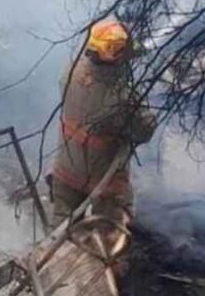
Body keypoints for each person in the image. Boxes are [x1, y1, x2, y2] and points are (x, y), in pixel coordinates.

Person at [49, 18, 156, 229]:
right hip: (104, 182)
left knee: (59, 236)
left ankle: (51, 261)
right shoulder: (121, 99)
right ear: (118, 58)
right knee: (109, 239)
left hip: (65, 171)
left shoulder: (70, 71)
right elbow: (145, 129)